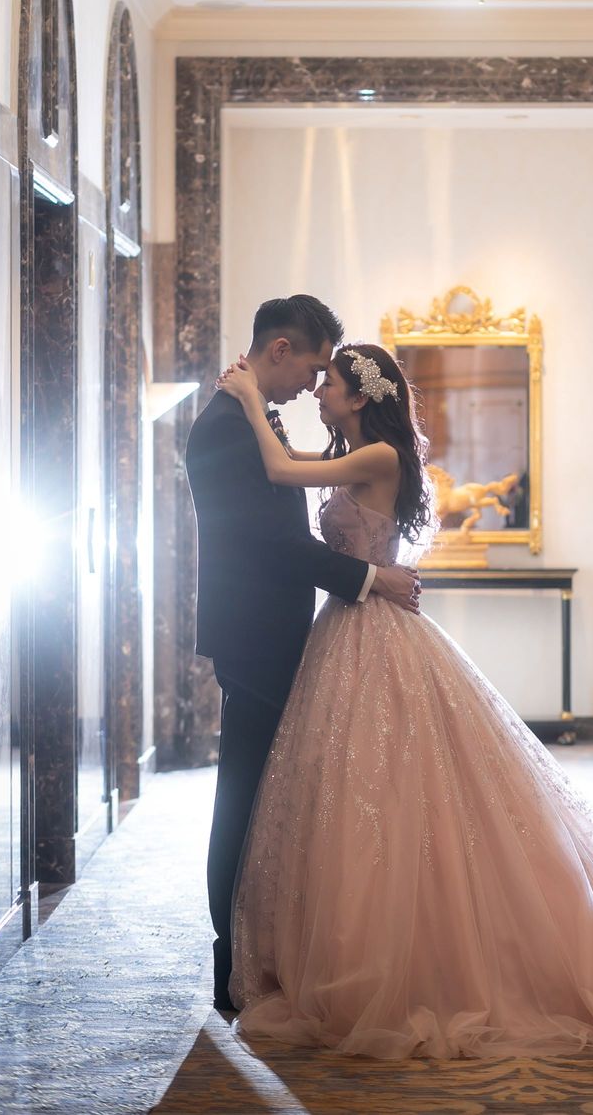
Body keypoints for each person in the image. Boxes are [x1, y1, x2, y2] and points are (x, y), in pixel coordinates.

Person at [218, 342, 593, 1058]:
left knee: (398, 783)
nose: (319, 390)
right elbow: (292, 475)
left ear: (359, 398)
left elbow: (279, 469)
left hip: (377, 633)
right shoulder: (354, 454)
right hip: (345, 630)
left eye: (329, 382)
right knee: (352, 788)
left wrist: (250, 399)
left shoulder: (379, 457)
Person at [185, 297, 419, 1014]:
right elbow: (276, 544)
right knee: (245, 797)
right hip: (257, 640)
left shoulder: (254, 418)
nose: (315, 387)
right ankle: (234, 961)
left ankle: (295, 947)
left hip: (297, 635)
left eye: (330, 378)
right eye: (314, 369)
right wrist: (372, 578)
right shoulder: (228, 426)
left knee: (295, 796)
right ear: (281, 350)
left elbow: (287, 492)